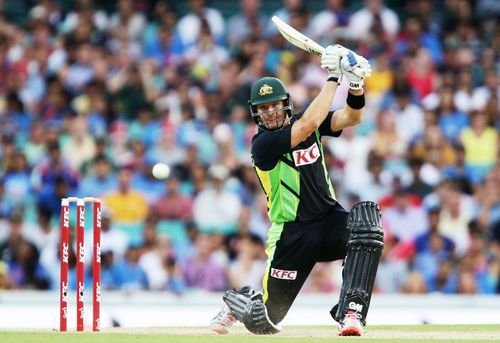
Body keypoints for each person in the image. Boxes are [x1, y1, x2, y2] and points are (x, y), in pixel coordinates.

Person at [210, 45, 384, 336]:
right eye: (263, 109)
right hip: (292, 234)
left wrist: (355, 84)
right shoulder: (262, 144)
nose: (270, 112)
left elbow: (352, 118)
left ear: (285, 104)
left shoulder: (307, 120)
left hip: (329, 220)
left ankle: (352, 312)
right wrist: (333, 77)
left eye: (274, 105)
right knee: (264, 320)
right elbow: (308, 125)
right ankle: (236, 302)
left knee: (367, 222)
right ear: (256, 114)